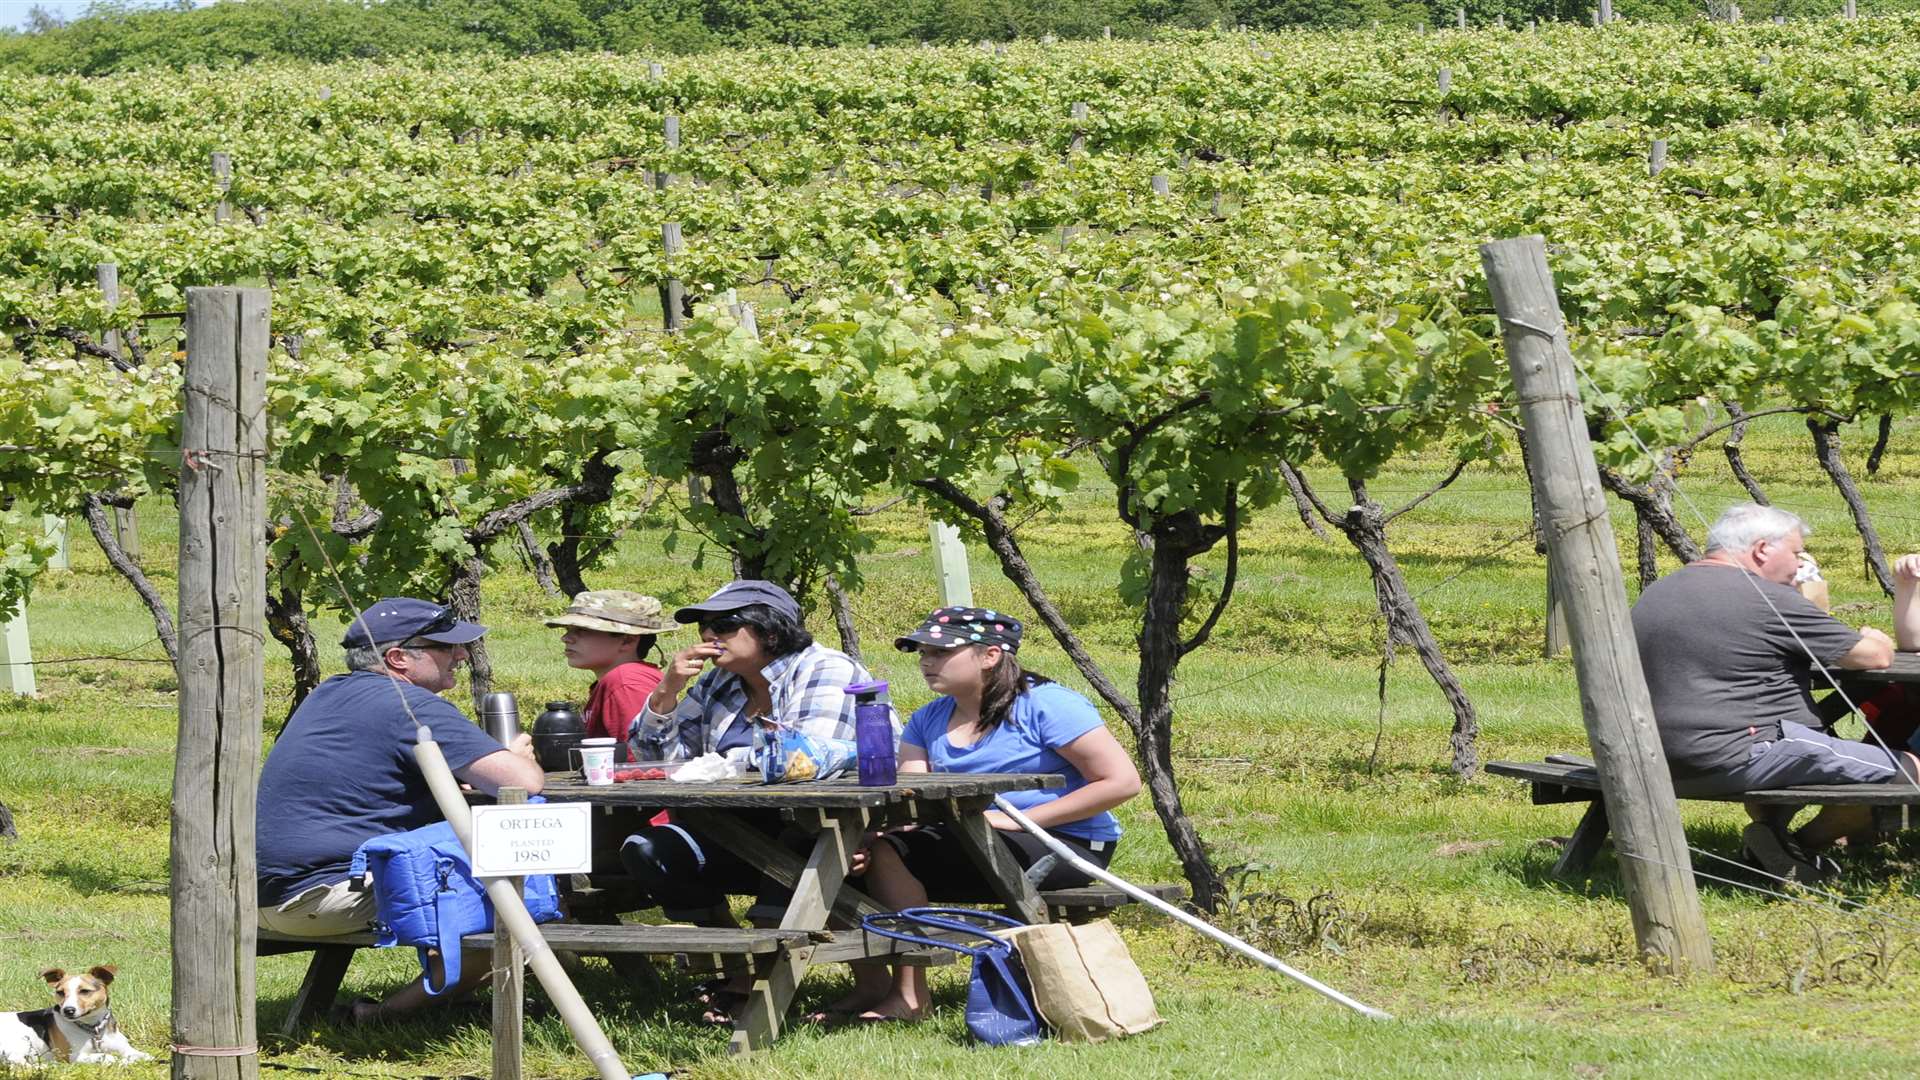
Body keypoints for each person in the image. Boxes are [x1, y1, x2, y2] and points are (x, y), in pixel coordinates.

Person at [815, 605, 1141, 1024]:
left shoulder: (1049, 706)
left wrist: (1016, 820)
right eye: (921, 653)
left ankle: (909, 997)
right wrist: (871, 838)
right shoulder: (928, 718)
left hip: (1066, 842)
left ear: (990, 655)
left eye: (940, 652)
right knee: (853, 856)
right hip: (966, 839)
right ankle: (884, 988)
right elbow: (912, 801)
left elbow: (1121, 782)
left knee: (886, 855)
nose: (926, 662)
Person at [256, 598, 544, 1024]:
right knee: (523, 890)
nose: (461, 656)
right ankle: (383, 1015)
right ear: (398, 658)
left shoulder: (330, 692)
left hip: (265, 893)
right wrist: (515, 753)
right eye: (447, 647)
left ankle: (458, 991)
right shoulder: (408, 705)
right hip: (325, 895)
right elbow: (523, 782)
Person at [617, 579, 888, 1024]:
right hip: (734, 826)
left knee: (790, 844)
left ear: (771, 631)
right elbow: (655, 761)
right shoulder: (720, 684)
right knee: (649, 850)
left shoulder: (827, 669)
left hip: (822, 824)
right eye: (705, 627)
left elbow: (804, 760)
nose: (708, 636)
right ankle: (738, 964)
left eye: (724, 625)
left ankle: (763, 991)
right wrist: (666, 692)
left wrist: (717, 763)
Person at [1632, 504, 1912, 882]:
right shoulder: (1767, 598)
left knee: (1808, 742)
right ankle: (1805, 844)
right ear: (1763, 549)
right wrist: (1873, 634)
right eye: (1796, 553)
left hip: (1650, 757)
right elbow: (1874, 657)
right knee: (1910, 771)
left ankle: (1772, 836)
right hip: (1732, 756)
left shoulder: (1659, 591)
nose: (1799, 565)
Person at [545, 590, 669, 759]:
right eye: (568, 629)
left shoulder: (626, 682)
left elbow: (641, 761)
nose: (566, 638)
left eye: (582, 630)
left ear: (628, 640)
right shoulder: (616, 681)